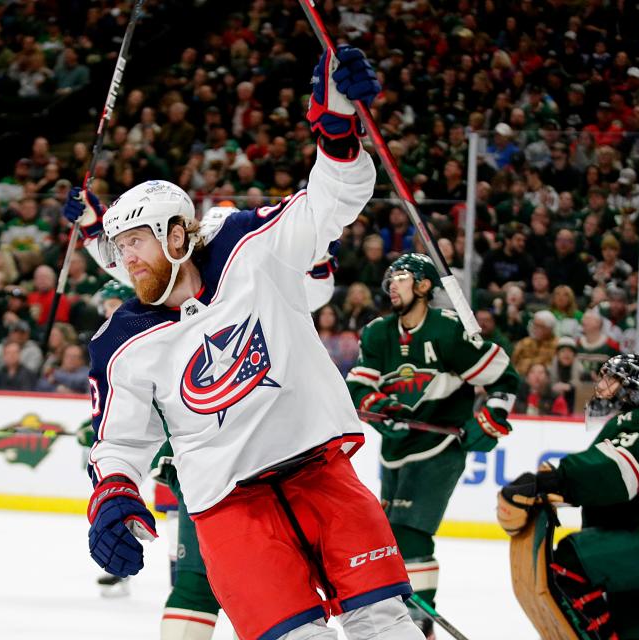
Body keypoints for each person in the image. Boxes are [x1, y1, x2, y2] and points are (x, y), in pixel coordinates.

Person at [77, 46, 425, 640]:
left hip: (322, 476)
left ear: (179, 233)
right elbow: (119, 442)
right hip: (230, 510)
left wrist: (337, 129)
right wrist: (113, 496)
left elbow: (328, 203)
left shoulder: (249, 247)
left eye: (138, 239)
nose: (127, 256)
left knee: (385, 622)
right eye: (120, 245)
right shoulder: (120, 342)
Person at [345, 253, 519, 636]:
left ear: (424, 286)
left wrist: (491, 417)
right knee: (389, 535)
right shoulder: (377, 333)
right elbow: (358, 385)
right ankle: (402, 615)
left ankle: (421, 622)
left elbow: (503, 378)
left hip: (440, 447)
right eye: (390, 278)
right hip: (395, 452)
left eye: (402, 277)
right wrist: (380, 406)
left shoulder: (447, 331)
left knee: (409, 535)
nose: (392, 284)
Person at [497, 354, 639, 639]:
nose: (600, 385)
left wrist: (554, 480)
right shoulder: (638, 427)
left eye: (610, 378)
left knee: (573, 558)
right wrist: (555, 491)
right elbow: (609, 490)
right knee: (637, 628)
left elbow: (613, 470)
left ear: (632, 388)